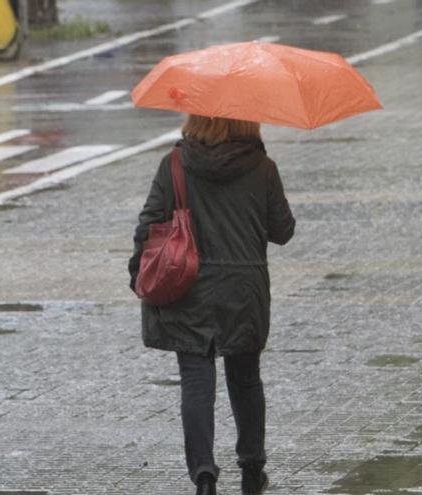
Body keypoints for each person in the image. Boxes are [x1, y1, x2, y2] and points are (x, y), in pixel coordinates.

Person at [129, 114, 295, 495]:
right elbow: (282, 230)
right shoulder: (263, 167)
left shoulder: (175, 163)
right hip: (244, 288)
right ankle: (252, 469)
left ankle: (204, 475)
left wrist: (136, 271)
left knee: (196, 379)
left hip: (189, 287)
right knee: (246, 377)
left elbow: (148, 224)